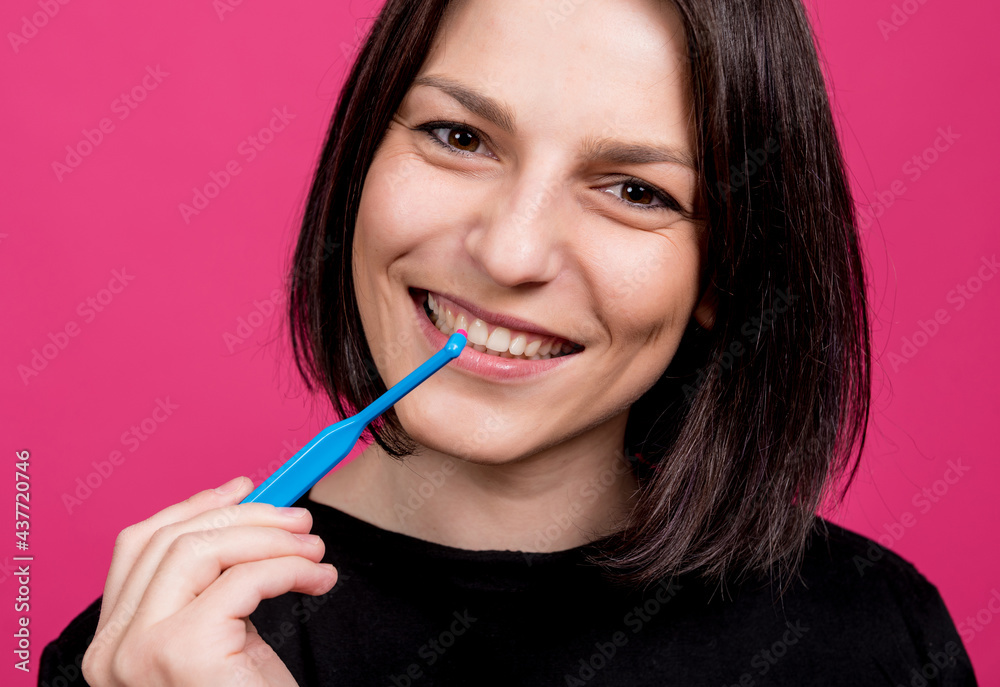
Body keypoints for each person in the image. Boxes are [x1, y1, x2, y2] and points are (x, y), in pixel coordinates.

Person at [40, 0, 978, 685]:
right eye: (458, 135)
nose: (512, 252)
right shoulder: (147, 656)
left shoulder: (869, 637)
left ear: (724, 276)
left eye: (636, 191)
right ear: (363, 157)